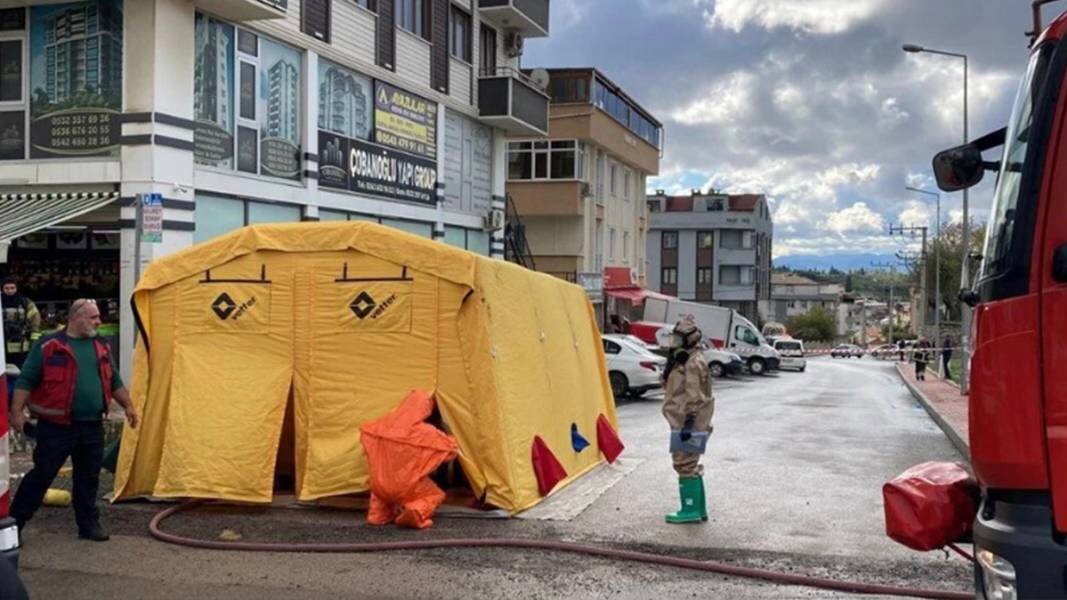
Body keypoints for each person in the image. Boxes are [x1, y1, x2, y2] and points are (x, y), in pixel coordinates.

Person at [9, 298, 139, 542]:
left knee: (89, 477)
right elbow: (26, 379)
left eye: (99, 317)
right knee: (42, 475)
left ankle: (88, 525)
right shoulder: (49, 346)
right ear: (76, 318)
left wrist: (129, 406)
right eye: (93, 317)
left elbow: (114, 380)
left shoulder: (101, 346)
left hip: (91, 426)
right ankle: (14, 526)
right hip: (56, 427)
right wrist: (16, 411)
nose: (99, 321)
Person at [661, 318, 713, 524]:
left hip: (688, 422)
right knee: (691, 463)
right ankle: (698, 509)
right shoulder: (690, 359)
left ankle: (689, 509)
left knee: (684, 463)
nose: (674, 343)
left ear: (689, 340)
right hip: (689, 421)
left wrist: (689, 424)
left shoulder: (692, 363)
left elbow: (694, 396)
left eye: (678, 339)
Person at [2, 277, 41, 369]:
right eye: (6, 288)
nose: (10, 291)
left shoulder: (25, 302)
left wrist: (34, 341)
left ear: (16, 288)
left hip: (22, 346)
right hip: (2, 347)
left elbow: (35, 320)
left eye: (12, 288)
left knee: (21, 371)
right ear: (2, 289)